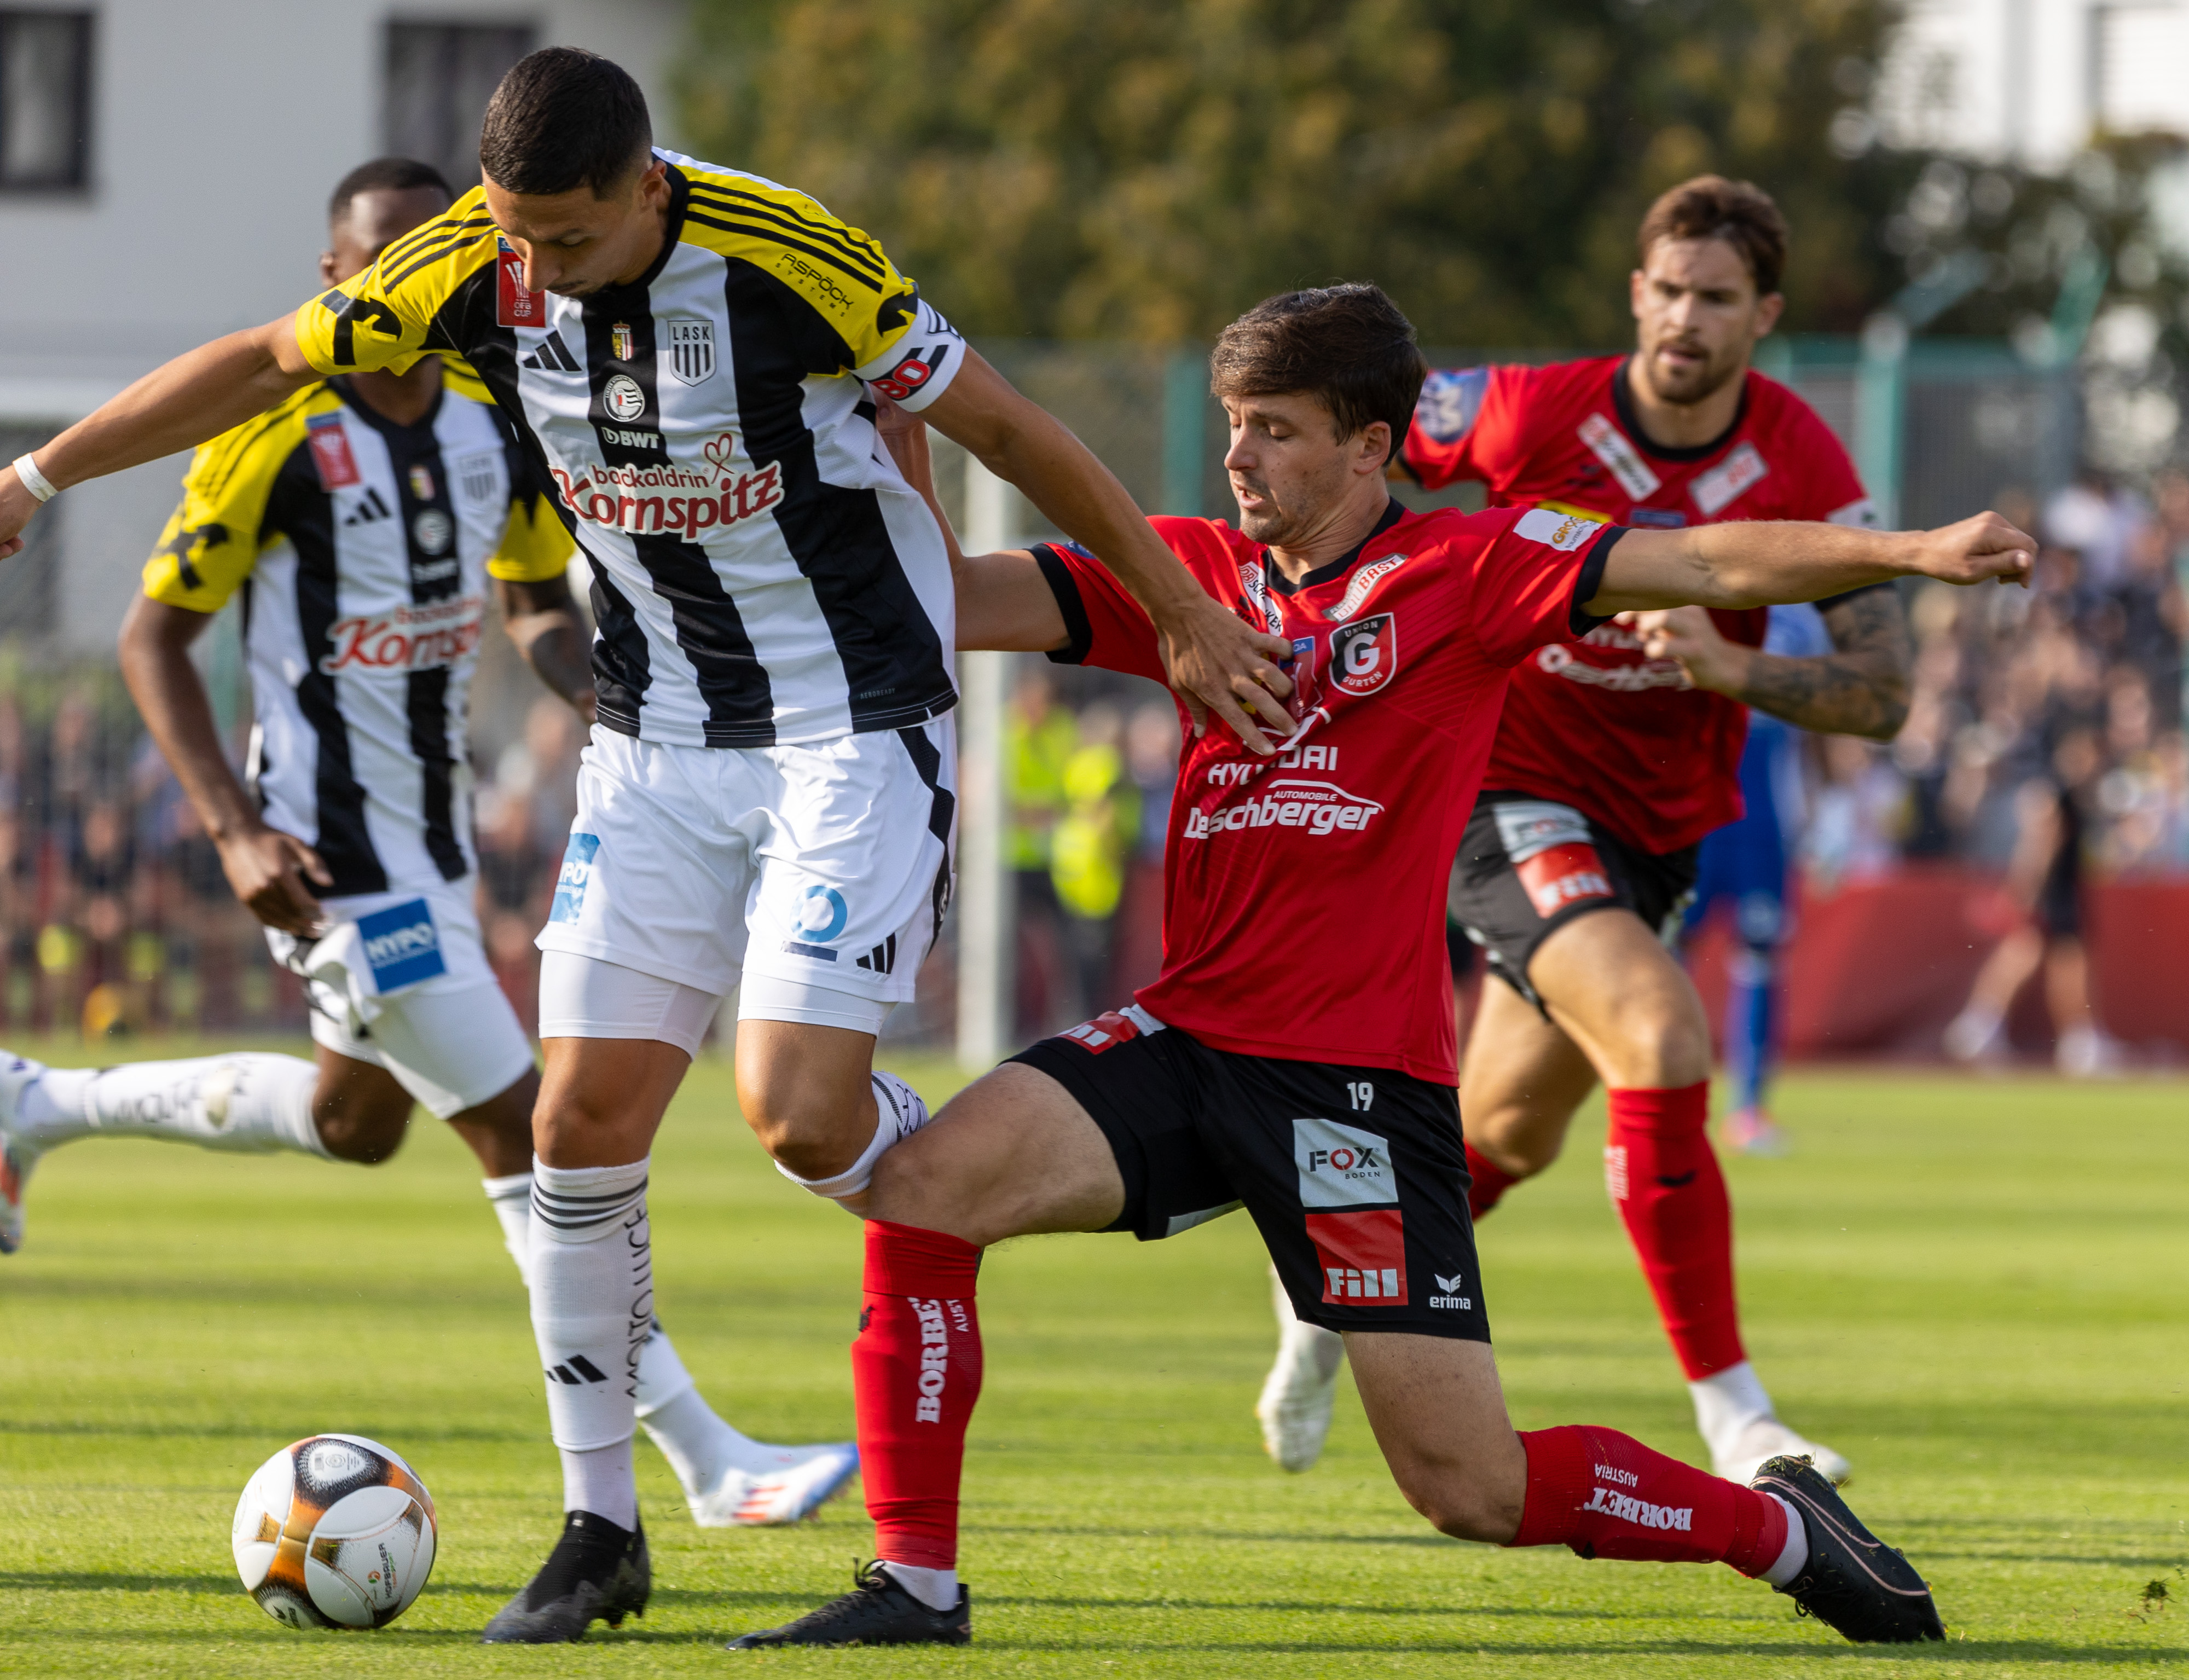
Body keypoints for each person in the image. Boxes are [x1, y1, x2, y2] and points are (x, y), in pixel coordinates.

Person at [0, 49, 1295, 1642]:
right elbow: (265, 360)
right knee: (577, 1118)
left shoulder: (789, 256)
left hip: (849, 726)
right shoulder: (463, 264)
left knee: (797, 1122)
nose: (532, 272)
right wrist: (38, 474)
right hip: (656, 745)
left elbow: (1014, 433)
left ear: (645, 189)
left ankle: (1031, 1148)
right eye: (514, 237)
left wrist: (1179, 612)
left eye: (569, 238)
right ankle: (599, 1528)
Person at [726, 283, 2030, 1649]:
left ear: (1370, 447)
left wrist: (1916, 548)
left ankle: (1775, 1527)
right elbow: (954, 603)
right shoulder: (1186, 574)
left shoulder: (1474, 567)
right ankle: (917, 1584)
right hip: (1186, 1041)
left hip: (1353, 1096)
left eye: (1275, 431)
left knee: (1469, 1485)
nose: (1237, 458)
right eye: (1233, 427)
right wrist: (898, 428)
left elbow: (1705, 564)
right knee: (924, 1193)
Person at [0, 157, 855, 1532]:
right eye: (380, 265)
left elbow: (527, 601)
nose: (413, 285)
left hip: (436, 844)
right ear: (338, 284)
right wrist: (231, 828)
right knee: (530, 1132)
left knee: (359, 1120)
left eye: (432, 256)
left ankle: (33, 1104)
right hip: (332, 862)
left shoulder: (485, 413)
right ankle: (707, 1459)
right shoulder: (271, 437)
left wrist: (610, 687)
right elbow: (153, 634)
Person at [1258, 176, 1914, 1485]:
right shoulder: (1520, 408)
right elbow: (1350, 447)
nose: (1684, 318)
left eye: (1715, 300)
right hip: (1502, 794)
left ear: (1762, 315)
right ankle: (1736, 1414)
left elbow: (1882, 695)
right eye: (1666, 289)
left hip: (1653, 833)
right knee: (1665, 1035)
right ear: (1634, 291)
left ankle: (1329, 1287)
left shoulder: (1803, 462)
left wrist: (1737, 676)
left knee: (1503, 1131)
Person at [1683, 603, 1833, 1157]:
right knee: (1668, 958)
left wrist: (1828, 808)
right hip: (1695, 813)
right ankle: (1659, 1097)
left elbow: (1818, 719)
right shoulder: (1691, 591)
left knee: (1762, 959)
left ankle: (1747, 1109)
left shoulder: (1800, 622)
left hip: (1766, 822)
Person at [1943, 728, 2119, 1074]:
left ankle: (1980, 1025)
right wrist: (2023, 889)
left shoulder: (2067, 792)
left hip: (2056, 889)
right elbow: (2041, 845)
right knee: (2062, 959)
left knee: (2029, 953)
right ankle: (2077, 1040)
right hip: (2054, 891)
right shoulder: (2058, 792)